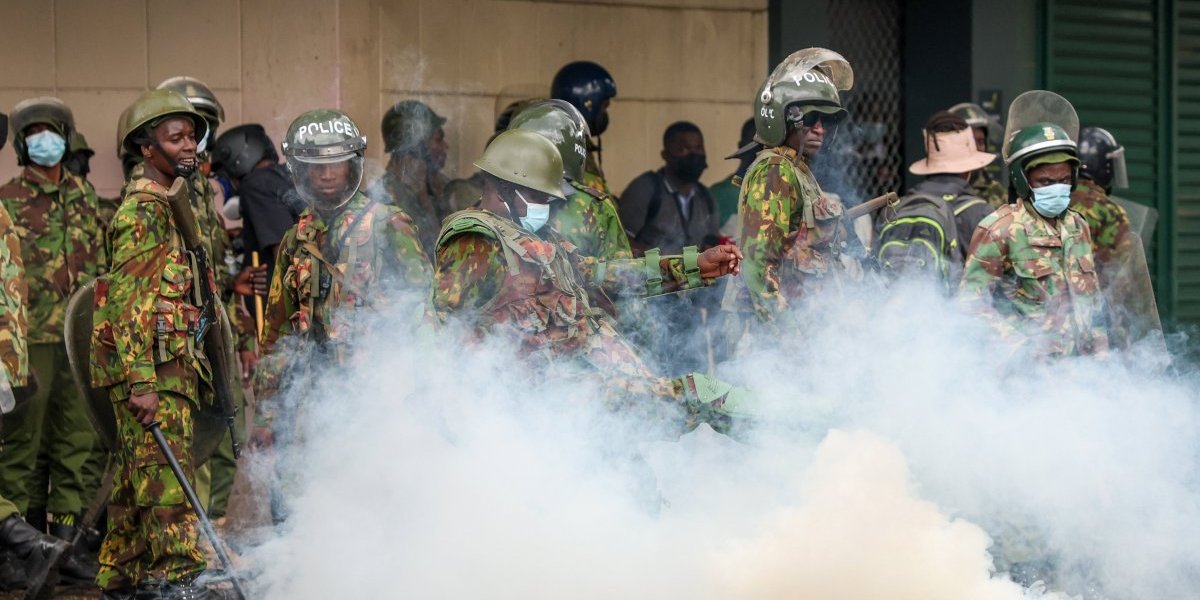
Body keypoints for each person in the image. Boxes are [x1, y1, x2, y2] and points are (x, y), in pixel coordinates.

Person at [432, 129, 747, 428]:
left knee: (697, 399)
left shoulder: (539, 238)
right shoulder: (475, 241)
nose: (547, 208)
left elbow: (604, 275)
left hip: (575, 403)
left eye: (550, 200)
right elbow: (445, 327)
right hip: (535, 409)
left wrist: (693, 267)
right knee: (699, 396)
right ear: (503, 188)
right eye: (538, 196)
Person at [253, 110, 432, 479]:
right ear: (299, 170)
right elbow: (277, 335)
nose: (327, 174)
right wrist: (267, 416)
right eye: (316, 165)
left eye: (336, 162)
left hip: (376, 396)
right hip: (311, 402)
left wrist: (426, 388)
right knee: (302, 495)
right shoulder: (296, 239)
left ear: (353, 165)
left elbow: (424, 311)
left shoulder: (388, 224)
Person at [88, 89, 217, 597]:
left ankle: (118, 581)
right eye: (175, 137)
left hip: (168, 369)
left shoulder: (170, 206)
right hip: (153, 375)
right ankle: (182, 581)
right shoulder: (143, 211)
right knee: (167, 489)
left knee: (133, 491)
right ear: (147, 148)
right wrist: (142, 383)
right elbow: (127, 305)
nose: (188, 146)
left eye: (192, 136)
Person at [0, 97, 106, 583]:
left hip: (77, 336)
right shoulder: (8, 199)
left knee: (76, 439)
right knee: (23, 442)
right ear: (22, 145)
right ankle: (18, 550)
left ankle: (65, 546)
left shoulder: (85, 197)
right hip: (29, 338)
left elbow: (100, 263)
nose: (45, 141)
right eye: (34, 133)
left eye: (51, 131)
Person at [958, 91, 1107, 357]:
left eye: (1064, 180)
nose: (1057, 187)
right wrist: (1021, 348)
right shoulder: (1000, 229)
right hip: (1028, 374)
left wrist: (1102, 356)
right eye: (1046, 182)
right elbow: (971, 306)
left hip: (1080, 371)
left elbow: (1091, 299)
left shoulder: (1078, 226)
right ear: (1023, 180)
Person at [724, 48, 859, 328]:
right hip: (770, 333)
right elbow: (758, 266)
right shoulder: (775, 171)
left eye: (826, 120)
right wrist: (788, 335)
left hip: (800, 321)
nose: (820, 129)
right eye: (810, 119)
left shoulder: (796, 170)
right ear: (781, 118)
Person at [876, 111, 995, 285]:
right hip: (952, 303)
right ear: (969, 167)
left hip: (897, 302)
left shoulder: (893, 210)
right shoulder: (981, 214)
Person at [211, 124, 301, 282]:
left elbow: (284, 251)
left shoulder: (255, 184)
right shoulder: (285, 177)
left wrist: (288, 295)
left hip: (283, 294)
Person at [619, 121, 720, 255]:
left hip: (695, 269)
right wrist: (662, 261)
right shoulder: (645, 189)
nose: (693, 155)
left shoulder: (706, 197)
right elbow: (622, 242)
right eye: (683, 149)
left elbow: (711, 244)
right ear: (665, 155)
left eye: (698, 148)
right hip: (650, 268)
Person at [368, 100, 452, 256]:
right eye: (438, 139)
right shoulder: (385, 200)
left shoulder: (440, 187)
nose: (445, 146)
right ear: (417, 146)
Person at [551, 61, 617, 197]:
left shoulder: (578, 143)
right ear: (587, 104)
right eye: (604, 106)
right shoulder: (564, 149)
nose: (605, 114)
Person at [949, 102, 1007, 208]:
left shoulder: (995, 190)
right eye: (969, 142)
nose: (977, 148)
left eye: (980, 142)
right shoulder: (938, 188)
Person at [709, 118, 756, 235]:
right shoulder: (717, 195)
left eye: (766, 145)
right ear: (741, 147)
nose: (758, 150)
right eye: (753, 143)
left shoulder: (780, 193)